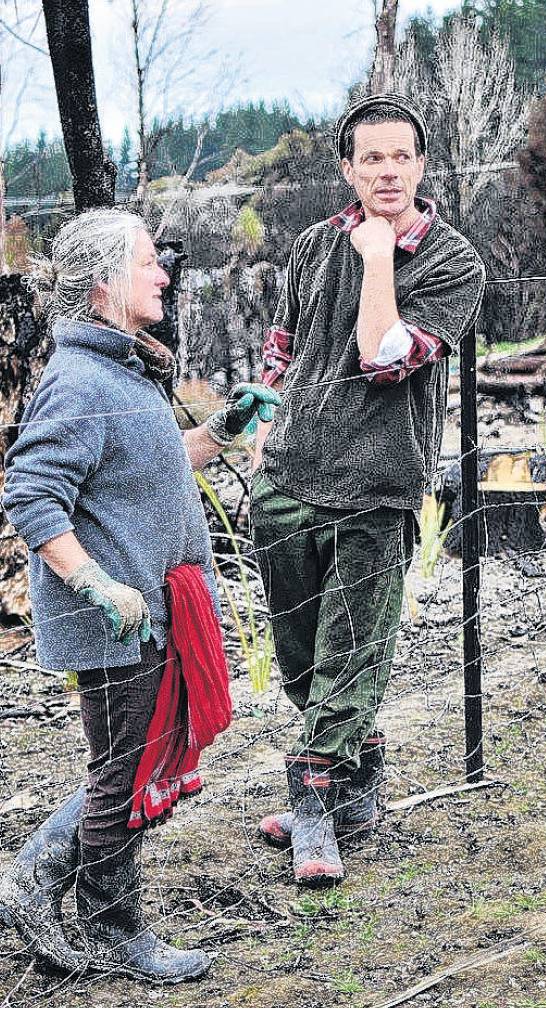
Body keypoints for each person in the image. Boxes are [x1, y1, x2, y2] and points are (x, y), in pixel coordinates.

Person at [0, 208, 280, 982]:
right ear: (103, 285)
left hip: (154, 612)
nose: (164, 274)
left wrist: (219, 431)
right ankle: (111, 925)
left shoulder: (121, 369)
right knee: (122, 771)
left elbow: (144, 467)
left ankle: (31, 879)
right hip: (116, 621)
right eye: (150, 262)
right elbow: (29, 492)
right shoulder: (80, 380)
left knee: (129, 760)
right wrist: (92, 582)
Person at [250, 93, 485, 886]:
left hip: (376, 490)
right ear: (347, 168)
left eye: (402, 156)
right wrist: (263, 435)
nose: (388, 171)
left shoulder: (452, 261)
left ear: (422, 164)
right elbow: (282, 345)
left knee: (349, 657)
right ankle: (355, 786)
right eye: (371, 158)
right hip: (287, 481)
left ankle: (315, 804)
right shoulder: (314, 245)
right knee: (298, 660)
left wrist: (379, 257)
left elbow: (383, 356)